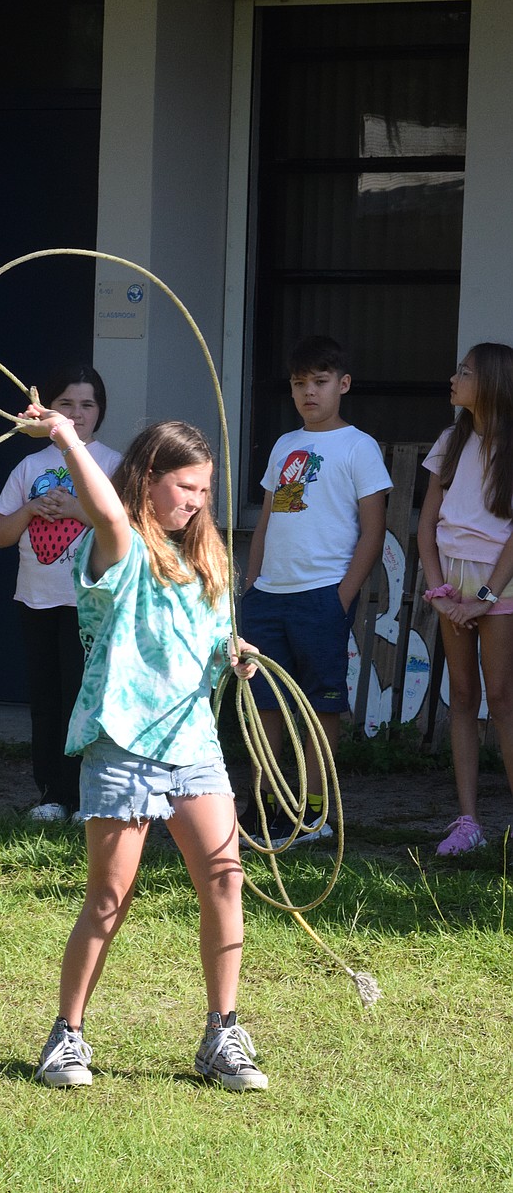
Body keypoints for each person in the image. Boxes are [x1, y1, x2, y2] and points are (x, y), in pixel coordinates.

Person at [16, 405, 268, 1091]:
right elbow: (106, 511)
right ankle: (66, 1036)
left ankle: (223, 1033)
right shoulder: (119, 547)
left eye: (205, 491)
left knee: (224, 876)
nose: (196, 502)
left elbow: (211, 637)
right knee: (111, 894)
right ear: (148, 478)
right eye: (185, 487)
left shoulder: (207, 559)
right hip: (123, 741)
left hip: (192, 743)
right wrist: (67, 436)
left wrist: (235, 652)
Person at [240, 335, 392, 842]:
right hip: (268, 595)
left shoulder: (359, 446)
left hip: (322, 593)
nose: (309, 392)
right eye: (300, 383)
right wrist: (252, 581)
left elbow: (374, 530)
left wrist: (342, 596)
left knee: (321, 703)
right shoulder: (286, 445)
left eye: (321, 382)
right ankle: (265, 800)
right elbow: (268, 519)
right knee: (264, 700)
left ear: (343, 385)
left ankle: (315, 808)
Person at [0, 364, 121, 821]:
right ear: (47, 409)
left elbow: (125, 531)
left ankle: (88, 795)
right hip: (36, 598)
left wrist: (75, 508)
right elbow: (0, 535)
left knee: (84, 699)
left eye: (87, 404)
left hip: (90, 605)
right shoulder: (29, 465)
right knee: (46, 700)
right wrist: (31, 508)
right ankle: (51, 794)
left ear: (100, 411)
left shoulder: (110, 463)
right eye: (66, 404)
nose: (77, 413)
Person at [417, 343, 513, 856]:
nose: (453, 379)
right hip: (453, 583)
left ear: (493, 383)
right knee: (462, 695)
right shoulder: (450, 440)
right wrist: (438, 590)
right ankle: (468, 820)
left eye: (464, 372)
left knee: (500, 697)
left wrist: (483, 597)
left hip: (500, 581)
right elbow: (427, 523)